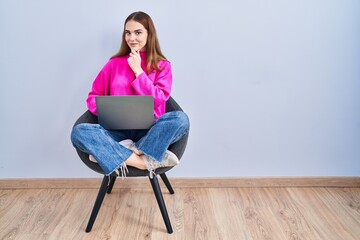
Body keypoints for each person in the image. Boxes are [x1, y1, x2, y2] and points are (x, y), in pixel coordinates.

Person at [71, 11, 189, 178]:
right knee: (79, 132)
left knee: (181, 120)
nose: (132, 38)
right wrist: (109, 111)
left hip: (150, 132)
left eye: (138, 32)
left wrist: (139, 72)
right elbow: (93, 96)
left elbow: (160, 99)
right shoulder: (113, 64)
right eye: (128, 32)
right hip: (116, 132)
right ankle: (141, 161)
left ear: (149, 34)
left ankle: (121, 151)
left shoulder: (162, 65)